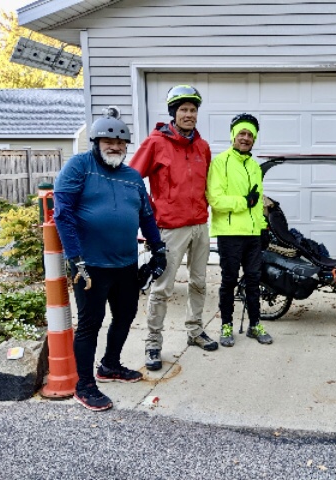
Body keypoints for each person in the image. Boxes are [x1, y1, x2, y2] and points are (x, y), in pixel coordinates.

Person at [53, 108, 166, 411]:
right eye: (108, 142)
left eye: (120, 143)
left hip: (125, 263)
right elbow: (62, 213)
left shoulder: (132, 177)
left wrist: (159, 249)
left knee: (126, 315)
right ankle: (84, 386)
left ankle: (110, 365)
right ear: (96, 142)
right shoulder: (80, 166)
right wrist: (75, 258)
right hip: (89, 265)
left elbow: (146, 216)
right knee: (90, 324)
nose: (115, 147)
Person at [129, 85, 214, 371]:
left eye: (193, 110)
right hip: (170, 228)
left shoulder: (202, 147)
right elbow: (132, 179)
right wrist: (149, 211)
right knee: (163, 287)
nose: (189, 114)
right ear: (173, 113)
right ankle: (153, 342)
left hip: (199, 225)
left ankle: (195, 330)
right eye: (184, 110)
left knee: (199, 282)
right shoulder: (155, 143)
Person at [207, 113, 273, 347]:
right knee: (229, 281)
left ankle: (255, 325)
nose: (245, 138)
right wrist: (244, 202)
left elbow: (258, 202)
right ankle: (226, 326)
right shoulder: (220, 162)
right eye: (242, 133)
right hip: (230, 234)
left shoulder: (254, 166)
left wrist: (263, 228)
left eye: (250, 135)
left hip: (252, 235)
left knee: (254, 281)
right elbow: (215, 199)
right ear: (233, 135)